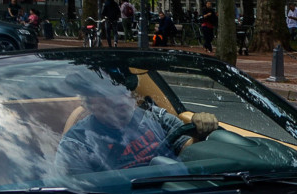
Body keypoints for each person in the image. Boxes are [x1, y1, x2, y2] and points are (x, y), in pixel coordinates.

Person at [55, 68, 218, 175]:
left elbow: (187, 149)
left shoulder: (155, 117)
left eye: (123, 91)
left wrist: (199, 131)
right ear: (87, 103)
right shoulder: (76, 143)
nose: (118, 100)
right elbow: (83, 193)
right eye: (105, 95)